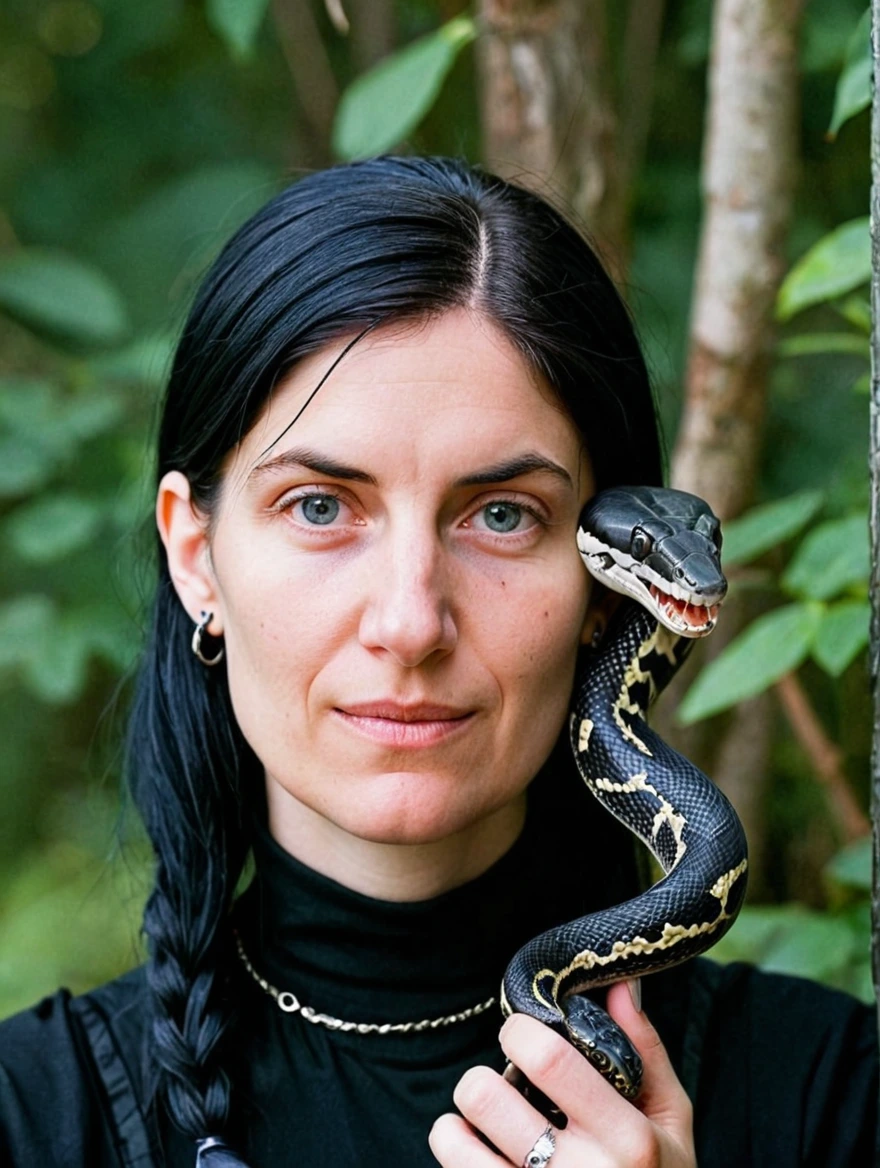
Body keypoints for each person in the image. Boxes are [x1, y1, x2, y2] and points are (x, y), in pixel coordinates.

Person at [0, 155, 876, 1168]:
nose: (410, 622)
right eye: (320, 507)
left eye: (501, 515)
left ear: (606, 594)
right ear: (196, 557)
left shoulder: (836, 1097)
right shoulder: (28, 1118)